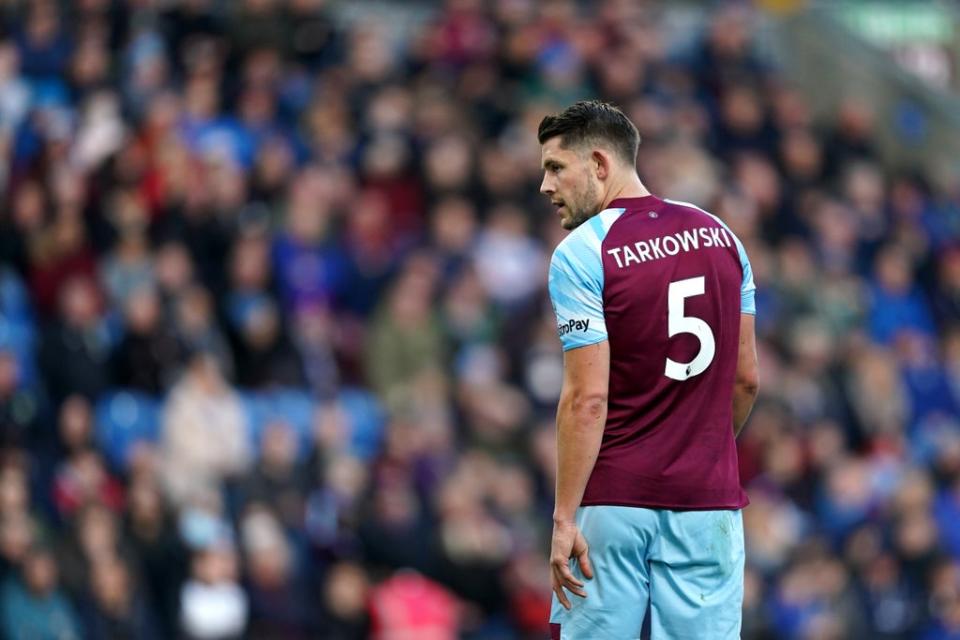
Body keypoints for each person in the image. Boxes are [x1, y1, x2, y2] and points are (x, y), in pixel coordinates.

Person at [539, 100, 759, 639]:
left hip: (614, 500)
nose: (545, 186)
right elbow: (746, 378)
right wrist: (695, 450)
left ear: (598, 164)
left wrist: (564, 516)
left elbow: (587, 400)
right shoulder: (721, 236)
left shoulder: (582, 253)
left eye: (555, 167)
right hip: (708, 503)